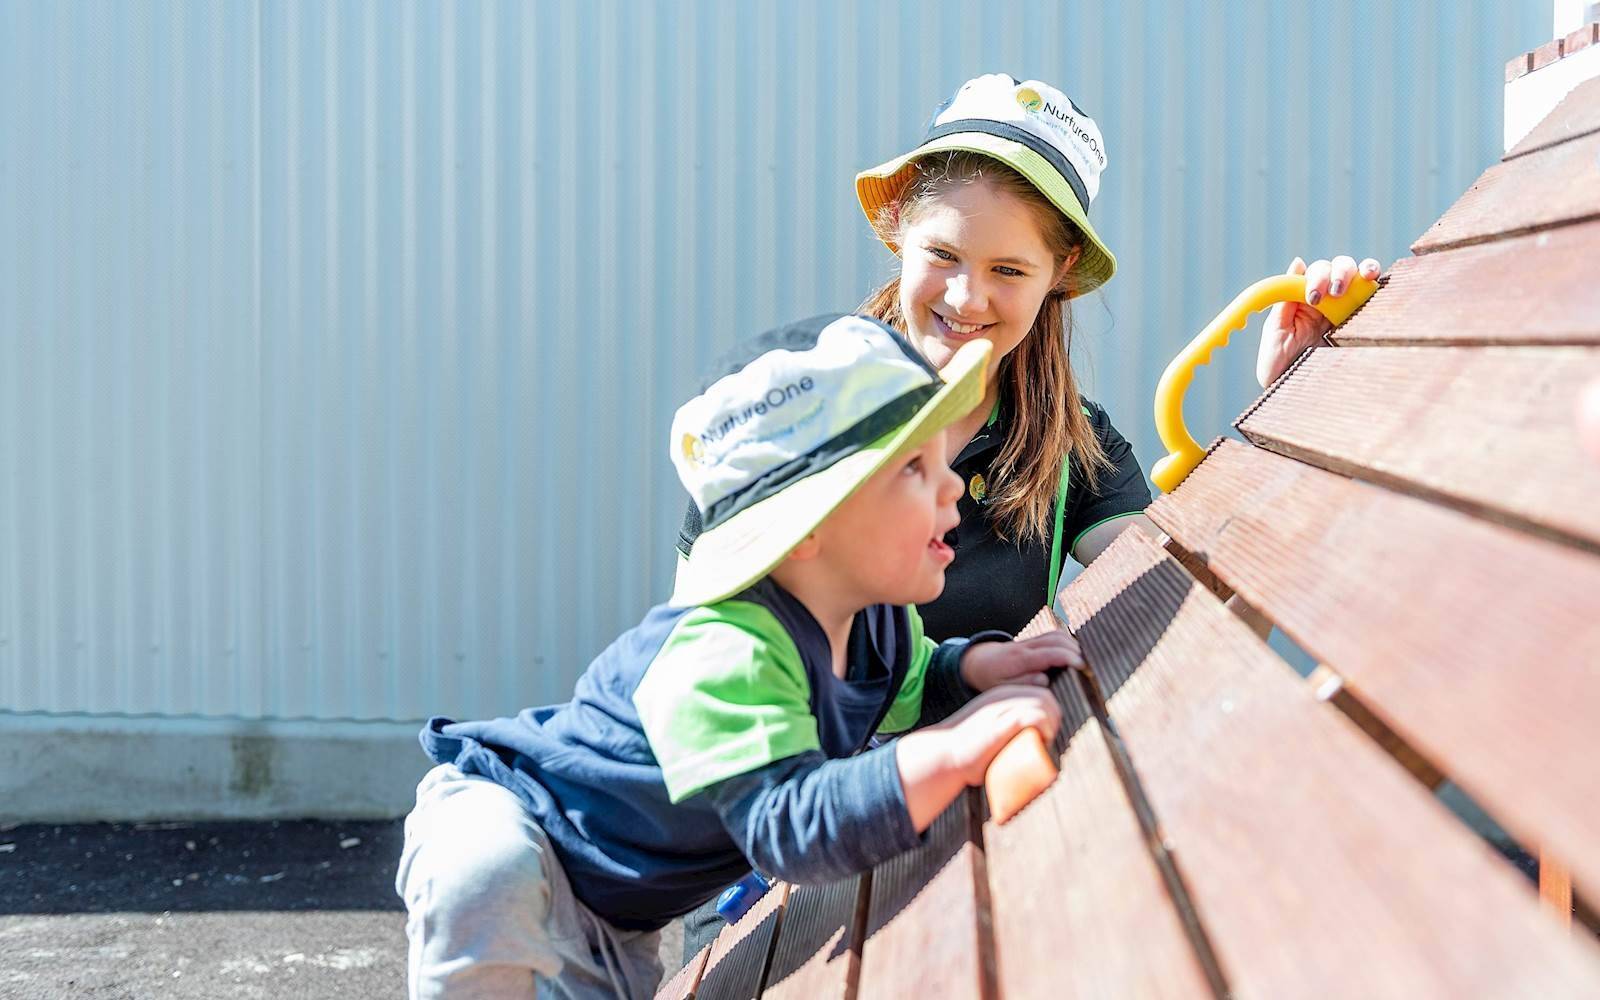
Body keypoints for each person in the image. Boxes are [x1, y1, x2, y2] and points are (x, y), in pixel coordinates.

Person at [678, 71, 1377, 960]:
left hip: (967, 841)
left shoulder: (1071, 447)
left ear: (1057, 281)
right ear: (898, 234)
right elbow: (710, 659)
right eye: (945, 255)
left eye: (1009, 269)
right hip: (772, 850)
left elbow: (1194, 582)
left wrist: (1292, 408)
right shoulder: (801, 409)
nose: (968, 298)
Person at [396, 314, 1082, 999]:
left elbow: (910, 687)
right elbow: (789, 828)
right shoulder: (730, 650)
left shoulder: (880, 625)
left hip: (621, 911)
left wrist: (968, 670)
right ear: (807, 527)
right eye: (913, 467)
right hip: (519, 821)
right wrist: (955, 748)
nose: (953, 486)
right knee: (491, 875)